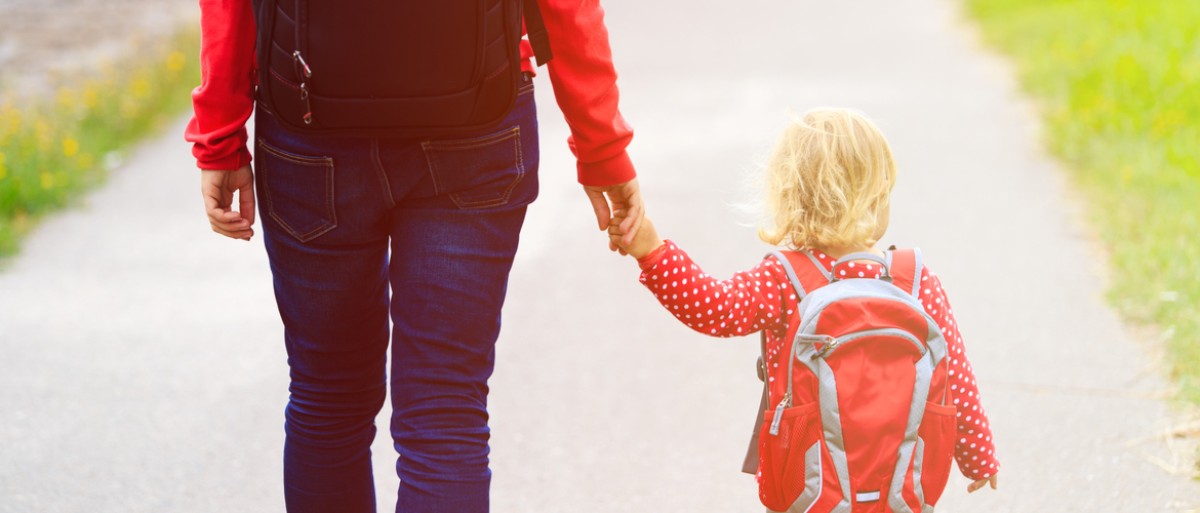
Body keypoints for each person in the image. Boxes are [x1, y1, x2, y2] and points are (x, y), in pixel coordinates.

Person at [185, 0, 643, 511]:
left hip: (310, 126)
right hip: (476, 121)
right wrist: (600, 144)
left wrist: (220, 134)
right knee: (445, 407)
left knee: (328, 399)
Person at [607, 108, 1000, 504]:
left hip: (808, 486)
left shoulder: (785, 278)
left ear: (789, 193)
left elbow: (715, 308)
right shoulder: (914, 281)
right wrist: (979, 458)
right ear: (879, 189)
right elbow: (956, 380)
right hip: (899, 484)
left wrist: (653, 252)